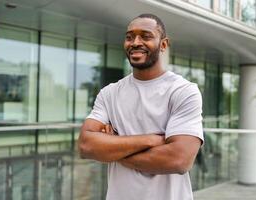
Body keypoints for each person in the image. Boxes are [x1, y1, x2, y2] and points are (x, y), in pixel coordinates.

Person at [78, 13, 203, 200]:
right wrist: (151, 140)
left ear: (163, 45)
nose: (135, 42)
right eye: (129, 37)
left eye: (146, 36)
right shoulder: (109, 93)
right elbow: (86, 145)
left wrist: (112, 149)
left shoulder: (183, 91)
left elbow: (179, 160)